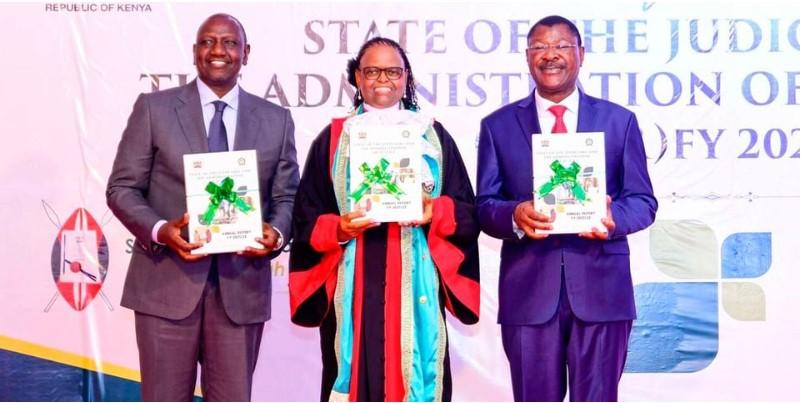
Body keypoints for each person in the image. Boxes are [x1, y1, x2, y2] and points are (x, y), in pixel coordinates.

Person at [106, 14, 299, 401]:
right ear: (195, 53)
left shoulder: (276, 120)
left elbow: (287, 197)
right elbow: (122, 188)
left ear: (246, 53)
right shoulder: (153, 109)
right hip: (165, 287)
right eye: (208, 42)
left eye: (229, 43)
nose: (219, 51)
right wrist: (162, 230)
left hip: (239, 292)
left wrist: (274, 234)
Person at [476, 15, 657, 402]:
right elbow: (484, 205)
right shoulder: (498, 126)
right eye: (540, 47)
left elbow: (642, 201)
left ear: (581, 54)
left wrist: (612, 220)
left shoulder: (619, 121)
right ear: (527, 58)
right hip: (528, 295)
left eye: (561, 46)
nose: (550, 55)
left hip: (602, 291)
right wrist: (514, 215)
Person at [288, 37, 480, 402]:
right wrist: (339, 229)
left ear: (407, 78)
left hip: (416, 281)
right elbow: (306, 218)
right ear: (357, 79)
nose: (383, 79)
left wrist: (434, 212)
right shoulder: (332, 140)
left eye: (393, 71)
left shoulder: (434, 137)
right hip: (354, 282)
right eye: (372, 70)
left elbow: (467, 213)